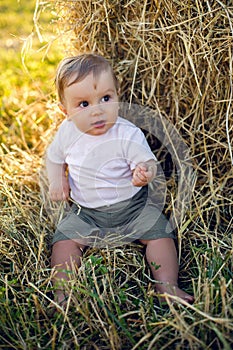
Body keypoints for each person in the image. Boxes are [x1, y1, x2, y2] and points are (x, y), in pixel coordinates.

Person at [46, 53, 194, 306]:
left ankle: (166, 285)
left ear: (117, 96)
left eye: (106, 98)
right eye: (84, 104)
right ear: (65, 111)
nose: (98, 110)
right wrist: (58, 180)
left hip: (132, 208)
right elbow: (54, 158)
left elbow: (147, 162)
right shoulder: (66, 133)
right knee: (64, 242)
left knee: (161, 235)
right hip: (86, 212)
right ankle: (63, 293)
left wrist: (144, 172)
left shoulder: (126, 132)